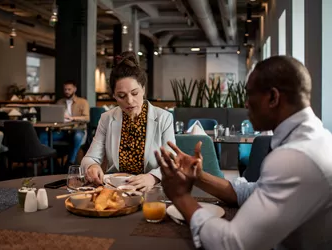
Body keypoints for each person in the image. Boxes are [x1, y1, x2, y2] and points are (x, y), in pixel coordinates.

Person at [155, 56, 332, 250]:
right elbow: (253, 192)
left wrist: (180, 197)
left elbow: (232, 244)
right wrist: (198, 176)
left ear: (273, 97)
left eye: (249, 95)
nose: (246, 104)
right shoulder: (318, 139)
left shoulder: (294, 157)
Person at [82, 51, 175, 191]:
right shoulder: (107, 118)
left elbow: (171, 162)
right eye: (121, 96)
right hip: (116, 188)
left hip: (150, 189)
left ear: (143, 90)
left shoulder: (163, 118)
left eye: (135, 93)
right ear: (114, 95)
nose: (129, 101)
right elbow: (89, 158)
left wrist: (152, 177)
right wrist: (92, 166)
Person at [40, 80, 89, 165]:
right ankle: (52, 161)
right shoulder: (59, 102)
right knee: (43, 136)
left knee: (77, 136)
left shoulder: (83, 102)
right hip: (62, 131)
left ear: (75, 89)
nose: (66, 91)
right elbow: (54, 117)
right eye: (65, 89)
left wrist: (72, 118)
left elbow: (87, 118)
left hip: (77, 130)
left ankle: (70, 162)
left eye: (69, 89)